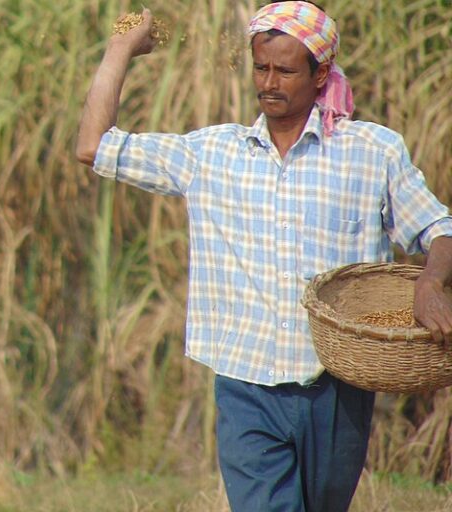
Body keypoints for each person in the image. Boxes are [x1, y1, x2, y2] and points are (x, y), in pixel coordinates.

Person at [75, 1, 452, 510]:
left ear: (321, 75)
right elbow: (94, 145)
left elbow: (439, 228)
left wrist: (429, 283)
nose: (269, 83)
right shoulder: (212, 154)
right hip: (245, 386)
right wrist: (121, 46)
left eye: (286, 70)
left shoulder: (372, 153)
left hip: (337, 388)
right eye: (261, 67)